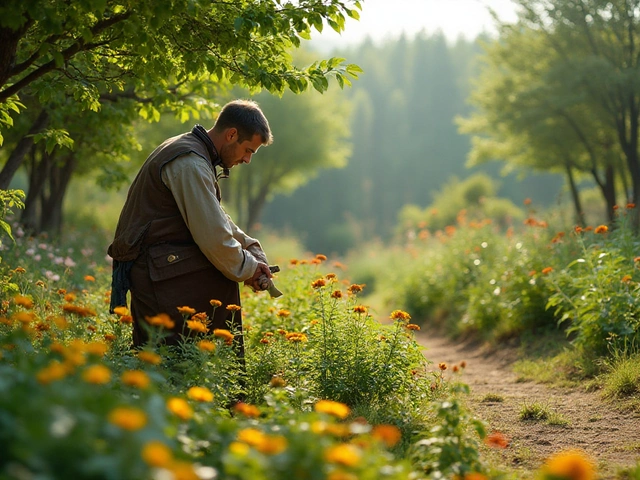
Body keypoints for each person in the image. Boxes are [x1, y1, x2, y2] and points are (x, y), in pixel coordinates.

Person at [108, 99, 274, 348]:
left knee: (224, 277)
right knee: (168, 359)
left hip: (162, 263)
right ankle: (212, 374)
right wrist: (248, 268)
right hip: (155, 271)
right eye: (248, 150)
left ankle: (211, 374)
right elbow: (214, 238)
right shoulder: (190, 162)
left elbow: (214, 216)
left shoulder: (191, 151)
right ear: (231, 135)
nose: (247, 160)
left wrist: (250, 247)